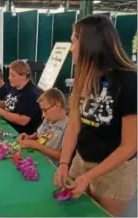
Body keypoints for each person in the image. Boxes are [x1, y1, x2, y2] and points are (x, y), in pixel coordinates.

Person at [53, 14, 137, 216]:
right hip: (81, 161)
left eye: (74, 41)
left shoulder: (129, 81)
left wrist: (90, 176)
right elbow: (74, 124)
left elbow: (129, 146)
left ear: (90, 44)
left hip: (114, 171)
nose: (71, 47)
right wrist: (64, 163)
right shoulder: (84, 74)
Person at [0, 60, 42, 134]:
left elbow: (23, 120)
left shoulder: (31, 94)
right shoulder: (15, 86)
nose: (9, 78)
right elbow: (9, 103)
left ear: (23, 76)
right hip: (6, 125)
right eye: (9, 75)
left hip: (18, 133)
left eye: (13, 75)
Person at [18, 88, 68, 165]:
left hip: (50, 165)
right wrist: (30, 137)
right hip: (37, 157)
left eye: (45, 110)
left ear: (58, 106)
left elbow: (62, 156)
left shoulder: (68, 126)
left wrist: (37, 146)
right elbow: (40, 133)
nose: (43, 115)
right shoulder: (48, 118)